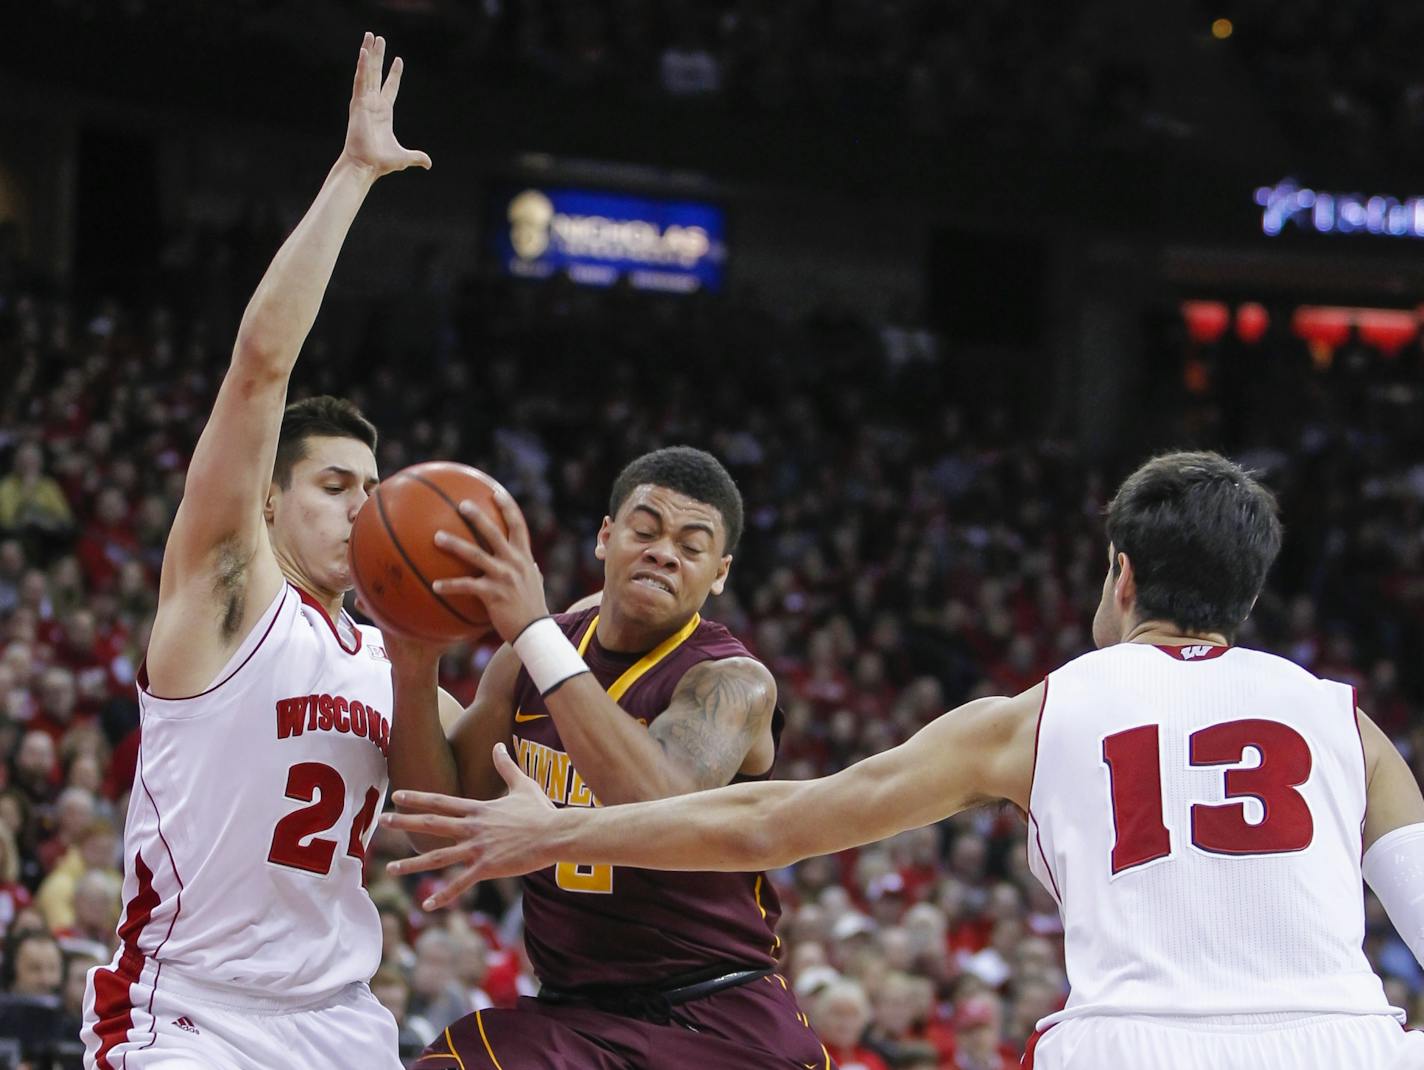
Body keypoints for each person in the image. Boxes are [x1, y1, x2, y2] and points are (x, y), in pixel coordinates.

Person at [385, 450, 1424, 1070]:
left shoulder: (1033, 712)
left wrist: (553, 828)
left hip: (1130, 1042)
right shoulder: (1346, 723)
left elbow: (764, 824)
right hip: (1345, 1043)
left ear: (1118, 573)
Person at [80, 32, 441, 1070]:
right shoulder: (227, 591)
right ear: (270, 500)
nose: (359, 511)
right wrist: (353, 174)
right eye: (333, 487)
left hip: (339, 1015)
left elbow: (464, 790)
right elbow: (259, 367)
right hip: (188, 1009)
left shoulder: (390, 655)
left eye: (373, 492)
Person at [382, 445, 828, 1068]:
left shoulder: (732, 683)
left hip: (718, 1019)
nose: (664, 552)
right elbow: (439, 828)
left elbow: (657, 814)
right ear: (605, 537)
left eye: (692, 547)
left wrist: (535, 632)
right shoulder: (528, 657)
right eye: (645, 531)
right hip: (577, 1017)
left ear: (719, 574)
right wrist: (415, 658)